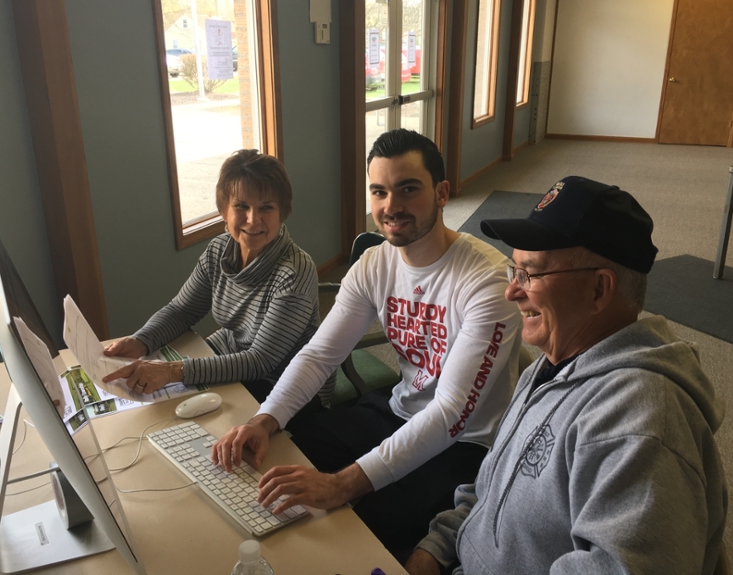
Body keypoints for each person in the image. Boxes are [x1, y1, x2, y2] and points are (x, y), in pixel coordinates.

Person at [211, 129, 523, 558]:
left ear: (442, 193)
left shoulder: (487, 281)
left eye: (408, 189)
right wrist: (264, 420)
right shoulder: (374, 264)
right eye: (379, 192)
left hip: (465, 443)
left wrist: (343, 483)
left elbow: (451, 413)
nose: (391, 207)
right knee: (276, 457)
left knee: (364, 538)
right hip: (396, 409)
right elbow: (321, 355)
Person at [406, 176, 728, 575]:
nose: (512, 292)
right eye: (514, 270)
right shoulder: (548, 366)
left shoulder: (642, 425)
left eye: (531, 274)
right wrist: (434, 550)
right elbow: (490, 486)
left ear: (598, 290)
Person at [102, 149, 333, 405]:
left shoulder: (295, 272)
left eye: (266, 207)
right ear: (224, 210)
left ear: (282, 212)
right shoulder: (219, 250)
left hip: (283, 386)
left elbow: (261, 361)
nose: (253, 219)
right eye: (241, 206)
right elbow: (182, 310)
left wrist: (171, 371)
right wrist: (142, 340)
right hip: (231, 359)